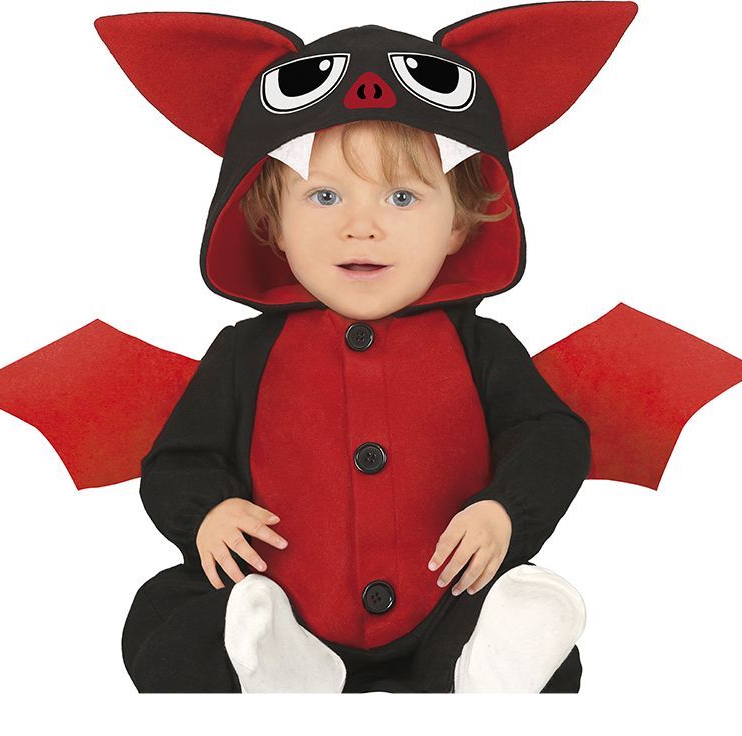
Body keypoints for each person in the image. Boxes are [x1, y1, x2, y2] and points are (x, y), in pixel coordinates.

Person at [123, 119, 591, 693]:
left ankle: (483, 668)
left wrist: (505, 511)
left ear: (457, 225)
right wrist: (207, 513)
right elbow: (179, 459)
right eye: (325, 196)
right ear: (273, 224)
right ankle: (276, 660)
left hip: (449, 599)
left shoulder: (483, 347)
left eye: (402, 197)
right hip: (280, 595)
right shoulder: (244, 352)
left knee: (511, 616)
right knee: (166, 615)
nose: (361, 227)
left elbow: (550, 437)